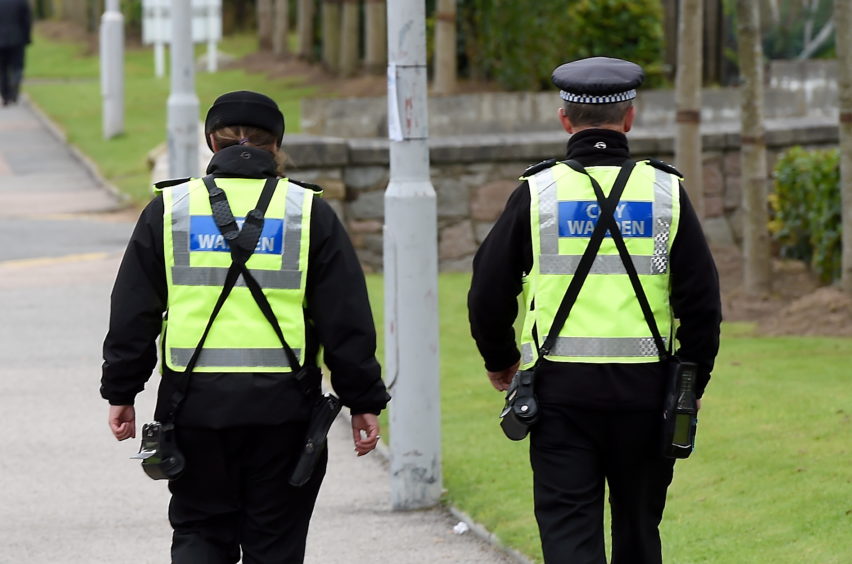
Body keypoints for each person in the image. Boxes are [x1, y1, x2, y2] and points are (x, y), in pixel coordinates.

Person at [101, 90, 390, 563]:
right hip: (284, 412)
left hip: (193, 408)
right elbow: (345, 318)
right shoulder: (306, 212)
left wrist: (121, 391)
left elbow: (133, 311)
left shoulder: (171, 210)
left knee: (199, 532)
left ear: (212, 142)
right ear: (275, 145)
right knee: (274, 543)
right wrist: (363, 401)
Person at [467, 57, 721, 563]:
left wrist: (500, 361)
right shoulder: (665, 193)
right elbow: (702, 304)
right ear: (630, 118)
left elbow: (488, 291)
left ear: (565, 119)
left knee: (568, 539)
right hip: (647, 396)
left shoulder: (538, 193)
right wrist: (689, 384)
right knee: (639, 537)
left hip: (561, 396)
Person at [0, 0, 32, 106]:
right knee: (17, 67)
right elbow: (27, 21)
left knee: (2, 69)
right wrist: (27, 38)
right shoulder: (21, 2)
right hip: (17, 39)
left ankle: (5, 95)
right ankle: (14, 89)